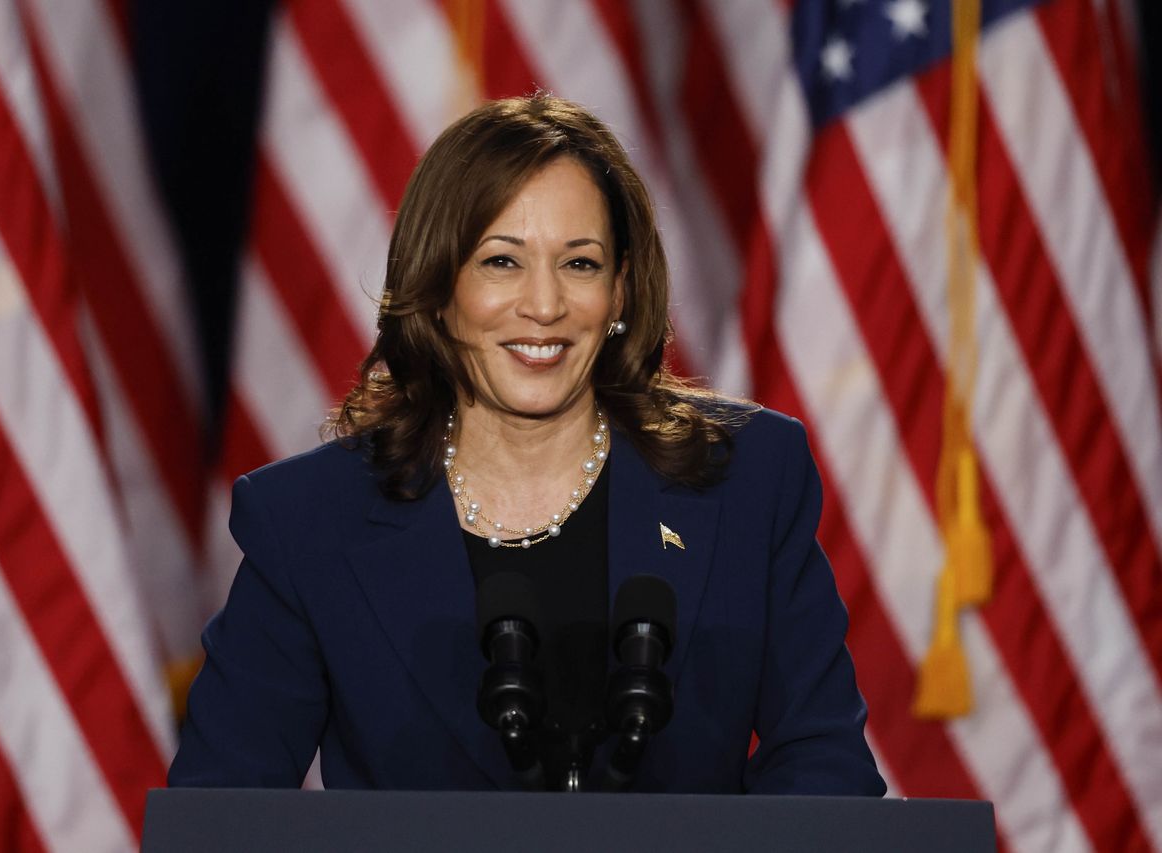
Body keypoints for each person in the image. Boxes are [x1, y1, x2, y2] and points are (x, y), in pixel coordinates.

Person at [169, 94, 885, 795]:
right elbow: (221, 808)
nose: (544, 306)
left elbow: (824, 768)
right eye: (501, 262)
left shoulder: (747, 482)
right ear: (439, 288)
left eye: (579, 263)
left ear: (623, 292)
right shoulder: (310, 521)